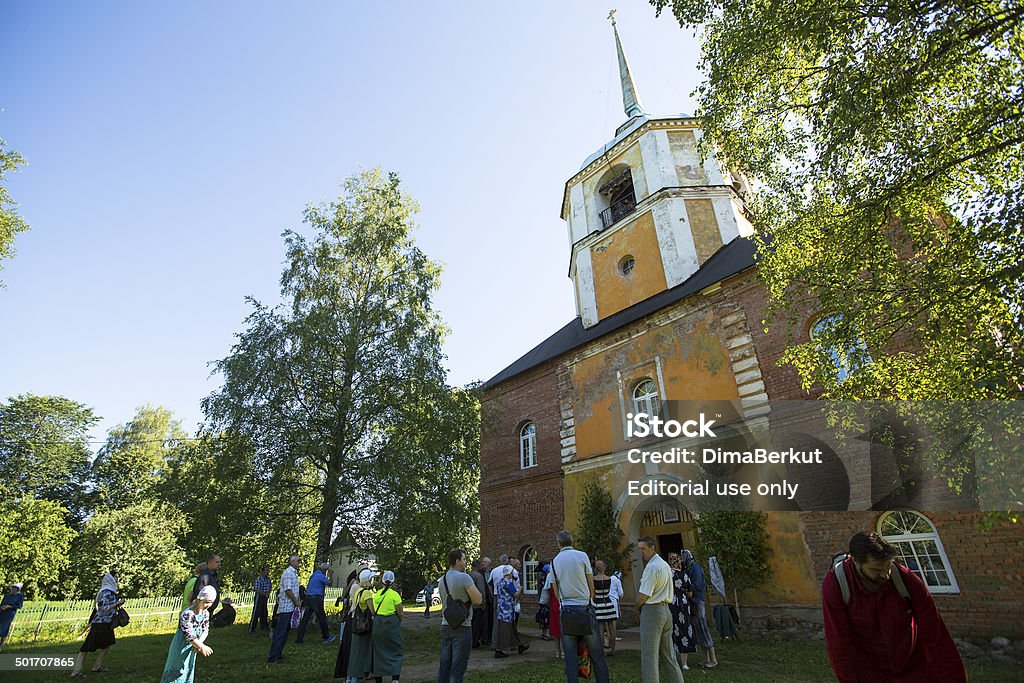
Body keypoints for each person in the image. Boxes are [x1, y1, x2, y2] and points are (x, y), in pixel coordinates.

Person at [823, 531, 967, 682]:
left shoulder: (905, 580)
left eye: (888, 567)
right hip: (869, 671)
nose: (885, 575)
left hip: (913, 667)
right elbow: (838, 643)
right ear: (856, 562)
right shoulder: (836, 586)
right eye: (876, 570)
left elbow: (936, 635)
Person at [550, 529, 609, 683]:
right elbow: (591, 584)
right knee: (597, 654)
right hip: (585, 607)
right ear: (572, 541)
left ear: (558, 544)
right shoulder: (582, 556)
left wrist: (563, 601)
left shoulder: (554, 561)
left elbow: (555, 590)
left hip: (567, 610)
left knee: (570, 657)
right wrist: (590, 598)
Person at [635, 537, 685, 683]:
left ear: (652, 548)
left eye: (643, 549)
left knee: (649, 658)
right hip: (665, 610)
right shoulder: (663, 564)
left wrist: (637, 606)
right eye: (639, 549)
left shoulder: (651, 567)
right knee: (669, 656)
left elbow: (644, 595)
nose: (641, 552)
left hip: (653, 611)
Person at [437, 548, 482, 683]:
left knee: (444, 666)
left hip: (445, 624)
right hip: (462, 625)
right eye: (464, 559)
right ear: (457, 561)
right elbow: (478, 600)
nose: (466, 562)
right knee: (457, 668)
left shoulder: (442, 579)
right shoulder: (464, 577)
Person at [71, 571, 126, 678]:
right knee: (86, 648)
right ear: (110, 578)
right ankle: (76, 671)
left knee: (107, 644)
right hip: (99, 623)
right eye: (115, 577)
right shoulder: (106, 592)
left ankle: (97, 666)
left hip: (107, 623)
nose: (117, 579)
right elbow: (102, 609)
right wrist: (117, 603)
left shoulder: (111, 591)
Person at [160, 585, 216, 682]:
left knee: (187, 669)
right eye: (206, 602)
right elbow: (189, 635)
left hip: (193, 647)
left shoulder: (205, 613)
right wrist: (201, 647)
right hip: (181, 646)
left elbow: (205, 629)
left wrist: (199, 643)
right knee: (177, 668)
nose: (208, 605)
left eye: (211, 603)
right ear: (199, 600)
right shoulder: (187, 614)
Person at [681, 549, 717, 668]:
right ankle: (705, 659)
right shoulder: (689, 568)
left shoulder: (695, 569)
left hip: (697, 601)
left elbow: (697, 585)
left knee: (703, 628)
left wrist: (687, 589)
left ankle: (713, 659)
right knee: (698, 631)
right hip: (693, 602)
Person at [268, 555, 302, 664]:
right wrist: (296, 601)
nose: (299, 563)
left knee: (285, 631)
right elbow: (288, 590)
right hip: (286, 607)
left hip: (289, 606)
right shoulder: (288, 573)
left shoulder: (292, 573)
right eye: (298, 561)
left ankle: (278, 654)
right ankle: (273, 657)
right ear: (292, 562)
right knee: (280, 632)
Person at [372, 570, 404, 682]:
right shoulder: (395, 595)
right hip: (391, 622)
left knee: (378, 651)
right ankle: (395, 678)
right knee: (396, 649)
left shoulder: (377, 595)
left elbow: (373, 611)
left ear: (382, 581)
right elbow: (400, 613)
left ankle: (378, 679)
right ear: (393, 582)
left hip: (377, 623)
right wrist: (399, 621)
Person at [667, 553, 696, 671]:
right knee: (684, 628)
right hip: (683, 604)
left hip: (671, 603)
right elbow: (690, 593)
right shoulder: (685, 575)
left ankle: (672, 657)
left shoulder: (668, 575)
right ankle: (684, 662)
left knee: (671, 629)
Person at [347, 569, 376, 682]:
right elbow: (372, 611)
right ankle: (358, 675)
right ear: (368, 579)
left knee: (355, 652)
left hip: (355, 622)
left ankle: (352, 677)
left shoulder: (358, 591)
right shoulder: (367, 593)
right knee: (362, 651)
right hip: (364, 625)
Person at [297, 562, 336, 644]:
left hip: (308, 598)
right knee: (322, 617)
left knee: (305, 619)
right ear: (324, 570)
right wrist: (331, 574)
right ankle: (326, 637)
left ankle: (299, 638)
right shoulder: (321, 576)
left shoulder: (313, 575)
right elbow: (329, 584)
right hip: (316, 599)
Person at [492, 565, 526, 658]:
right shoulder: (508, 583)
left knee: (511, 628)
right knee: (506, 630)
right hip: (507, 610)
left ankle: (519, 645)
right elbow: (515, 594)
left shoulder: (500, 582)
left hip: (501, 609)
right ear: (510, 573)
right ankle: (500, 650)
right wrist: (520, 589)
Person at [333, 569, 360, 680]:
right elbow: (347, 590)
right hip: (351, 606)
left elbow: (346, 590)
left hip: (348, 605)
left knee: (344, 621)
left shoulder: (353, 581)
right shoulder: (355, 582)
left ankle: (341, 638)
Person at [592, 560, 617, 654]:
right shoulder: (608, 578)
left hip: (599, 604)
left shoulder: (594, 579)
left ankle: (601, 650)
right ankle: (613, 649)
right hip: (608, 602)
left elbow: (593, 593)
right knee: (612, 628)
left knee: (601, 629)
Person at [468, 559, 487, 648]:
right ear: (477, 566)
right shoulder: (478, 576)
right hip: (477, 604)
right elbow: (481, 591)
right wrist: (483, 602)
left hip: (469, 604)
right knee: (477, 624)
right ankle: (475, 642)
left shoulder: (468, 575)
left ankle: (471, 641)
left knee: (470, 624)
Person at [0, 582, 25, 647]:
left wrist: (9, 606)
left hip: (9, 613)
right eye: (12, 587)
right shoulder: (7, 596)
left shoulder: (20, 596)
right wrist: (2, 607)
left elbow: (19, 606)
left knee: (4, 626)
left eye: (15, 588)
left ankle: (2, 642)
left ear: (17, 589)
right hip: (2, 612)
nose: (13, 589)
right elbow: (2, 603)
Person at [249, 566, 272, 634]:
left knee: (264, 612)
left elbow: (270, 587)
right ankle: (252, 628)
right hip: (259, 597)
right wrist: (264, 594)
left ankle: (264, 626)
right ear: (262, 572)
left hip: (265, 597)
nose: (267, 572)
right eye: (266, 571)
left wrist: (268, 593)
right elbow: (257, 589)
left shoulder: (268, 579)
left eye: (268, 571)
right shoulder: (259, 579)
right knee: (256, 612)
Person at [479, 557, 493, 646]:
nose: (483, 563)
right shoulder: (480, 573)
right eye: (482, 562)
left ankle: (490, 637)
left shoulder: (493, 572)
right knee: (484, 619)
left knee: (491, 618)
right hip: (484, 599)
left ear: (489, 563)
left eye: (484, 562)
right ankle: (484, 638)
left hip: (491, 599)